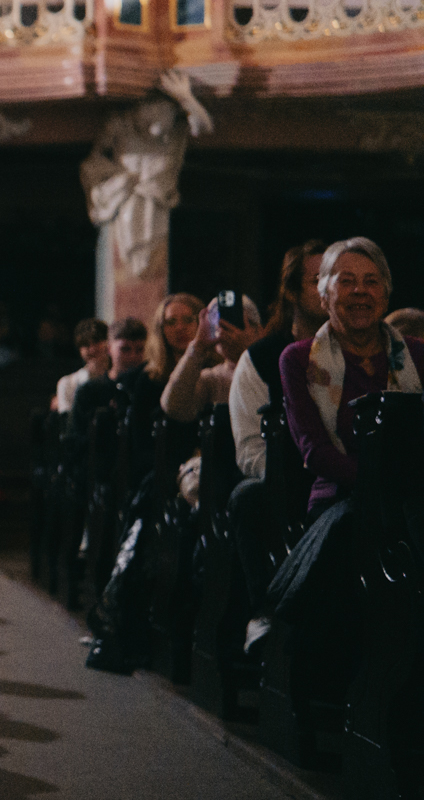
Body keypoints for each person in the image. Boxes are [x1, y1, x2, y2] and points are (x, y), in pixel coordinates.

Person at [281, 237, 424, 521]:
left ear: (385, 296)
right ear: (324, 297)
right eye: (346, 281)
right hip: (340, 500)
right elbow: (316, 451)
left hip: (415, 496)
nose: (360, 291)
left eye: (371, 281)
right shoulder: (298, 360)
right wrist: (384, 486)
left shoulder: (417, 354)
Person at [228, 240, 327, 633]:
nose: (329, 289)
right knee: (248, 498)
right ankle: (267, 614)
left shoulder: (366, 349)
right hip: (291, 482)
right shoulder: (263, 357)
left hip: (350, 477)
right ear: (292, 291)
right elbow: (250, 449)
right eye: (317, 280)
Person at [162, 294, 262, 423]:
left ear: (258, 330)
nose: (223, 330)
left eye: (234, 322)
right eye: (217, 322)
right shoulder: (213, 379)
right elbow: (173, 407)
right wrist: (198, 346)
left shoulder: (271, 367)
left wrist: (249, 351)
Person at [52, 318, 109, 414]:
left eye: (96, 341)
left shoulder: (119, 377)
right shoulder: (67, 384)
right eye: (86, 345)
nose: (92, 349)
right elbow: (68, 420)